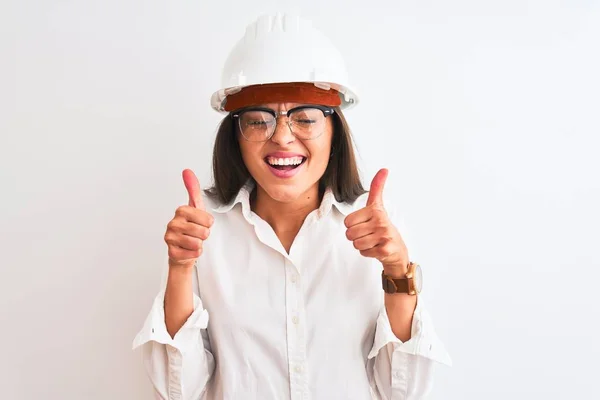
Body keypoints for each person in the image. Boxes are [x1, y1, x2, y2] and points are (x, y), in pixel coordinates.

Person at [132, 13, 451, 400]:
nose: (282, 137)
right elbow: (177, 391)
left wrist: (397, 271)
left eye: (304, 118)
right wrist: (180, 268)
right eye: (258, 120)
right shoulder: (203, 231)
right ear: (235, 135)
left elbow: (405, 392)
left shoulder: (379, 228)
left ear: (335, 131)